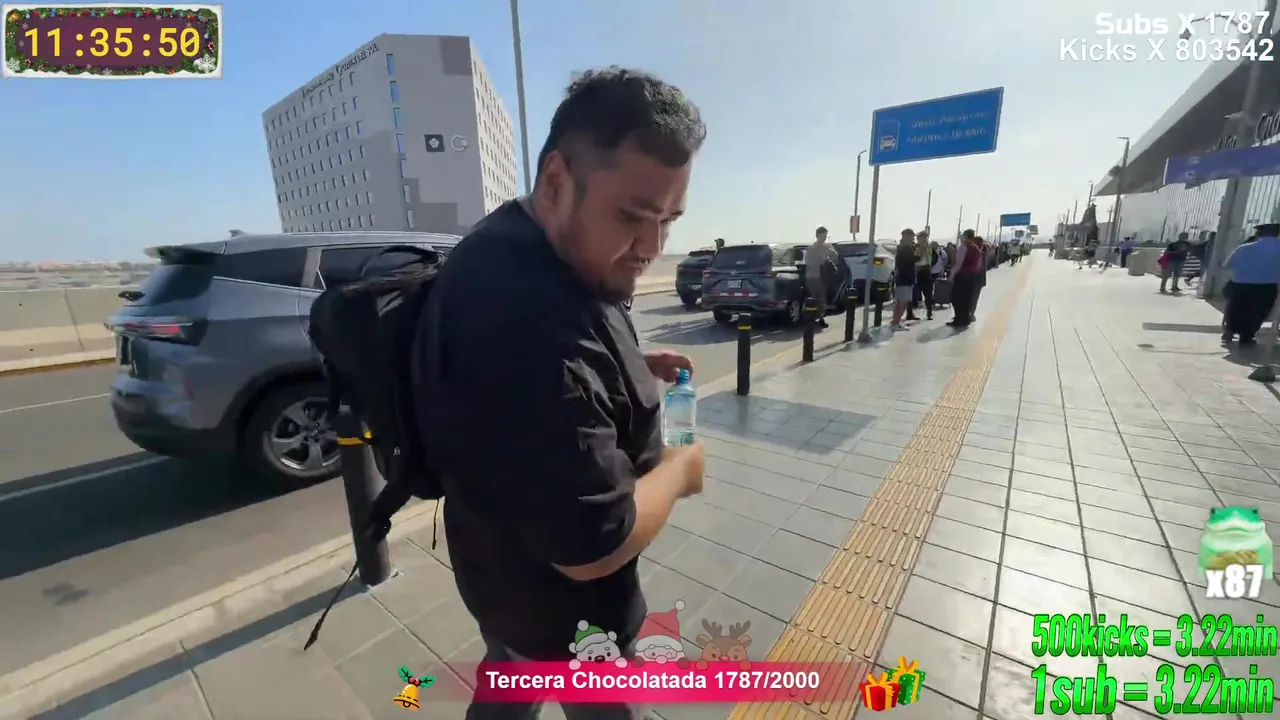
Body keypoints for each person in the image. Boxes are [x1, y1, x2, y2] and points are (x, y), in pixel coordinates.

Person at [413, 68, 707, 720]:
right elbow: (592, 548)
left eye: (669, 220)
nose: (652, 248)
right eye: (633, 216)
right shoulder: (530, 323)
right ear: (555, 182)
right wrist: (678, 468)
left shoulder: (507, 242)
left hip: (498, 580)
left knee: (507, 680)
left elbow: (533, 384)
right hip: (571, 620)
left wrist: (624, 366)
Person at [1221, 224, 1280, 346]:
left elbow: (1227, 265)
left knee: (1236, 308)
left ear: (1259, 234)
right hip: (1266, 286)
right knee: (1257, 312)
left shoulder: (1243, 248)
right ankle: (1246, 336)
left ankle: (1229, 331)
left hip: (1239, 284)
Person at [804, 226, 839, 328]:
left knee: (821, 299)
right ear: (818, 236)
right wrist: (821, 261)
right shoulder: (812, 249)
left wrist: (830, 249)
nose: (824, 238)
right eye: (823, 236)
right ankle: (817, 318)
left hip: (820, 277)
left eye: (825, 236)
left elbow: (835, 257)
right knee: (817, 299)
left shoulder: (825, 248)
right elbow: (809, 263)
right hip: (813, 277)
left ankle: (818, 318)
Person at [949, 230, 983, 328]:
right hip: (971, 276)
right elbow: (978, 264)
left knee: (956, 298)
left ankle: (958, 319)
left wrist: (951, 276)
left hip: (962, 276)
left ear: (965, 236)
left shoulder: (963, 247)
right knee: (966, 299)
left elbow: (958, 264)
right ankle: (965, 319)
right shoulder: (976, 248)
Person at [891, 228, 917, 329]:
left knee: (900, 302)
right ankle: (896, 323)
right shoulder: (905, 248)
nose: (913, 239)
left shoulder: (903, 247)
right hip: (905, 278)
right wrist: (921, 251)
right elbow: (912, 259)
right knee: (902, 302)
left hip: (903, 278)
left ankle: (895, 321)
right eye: (912, 237)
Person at [909, 230, 932, 320]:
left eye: (924, 237)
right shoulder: (915, 247)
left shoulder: (927, 247)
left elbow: (928, 259)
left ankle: (929, 313)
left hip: (925, 270)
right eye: (920, 237)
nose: (921, 239)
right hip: (917, 271)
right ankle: (910, 313)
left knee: (928, 293)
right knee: (913, 293)